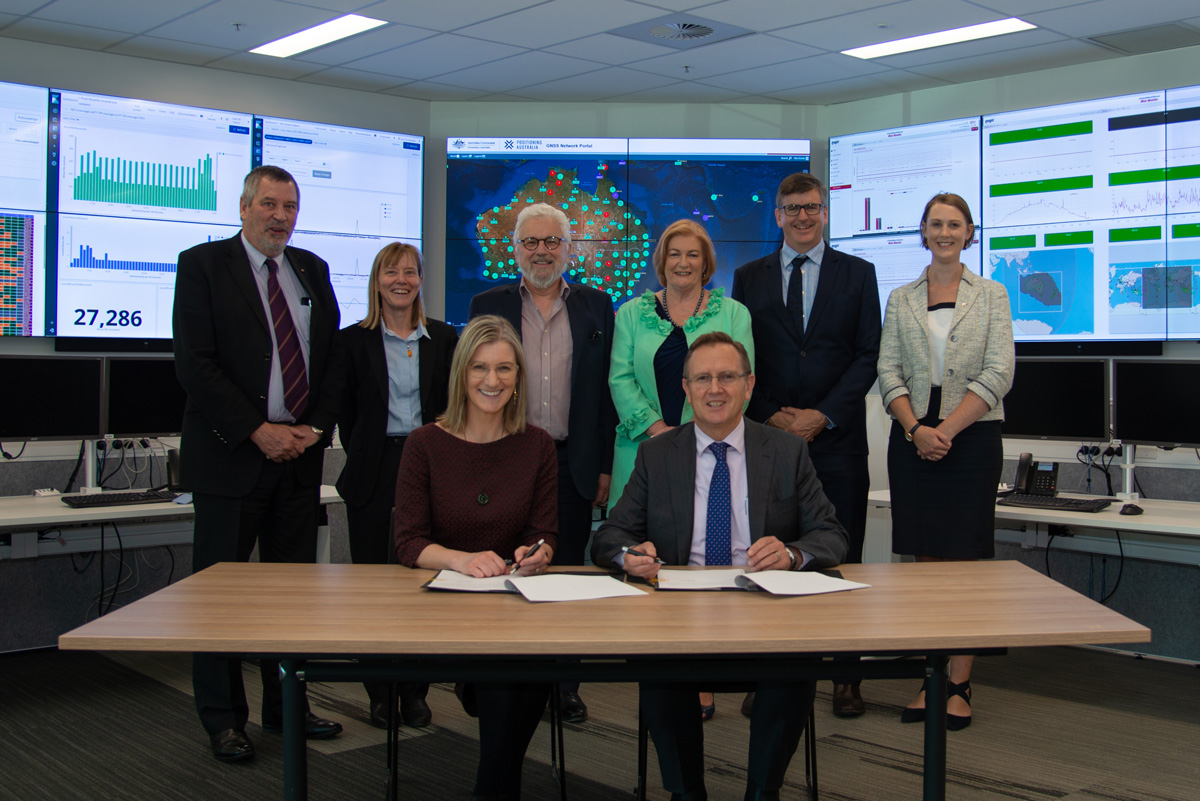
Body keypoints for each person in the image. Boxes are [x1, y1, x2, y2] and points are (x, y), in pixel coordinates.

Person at [593, 332, 848, 801]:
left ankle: (761, 792)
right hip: (677, 615)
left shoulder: (787, 450)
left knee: (796, 667)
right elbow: (610, 535)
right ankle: (686, 792)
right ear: (686, 389)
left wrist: (792, 555)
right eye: (703, 378)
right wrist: (628, 556)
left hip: (765, 612)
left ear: (749, 385)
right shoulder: (657, 454)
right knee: (659, 670)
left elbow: (831, 535)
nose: (716, 389)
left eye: (727, 377)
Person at [172, 165, 343, 763]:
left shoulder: (312, 270)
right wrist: (257, 431)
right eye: (269, 204)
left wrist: (312, 431)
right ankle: (223, 718)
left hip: (298, 462)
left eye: (290, 206)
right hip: (229, 460)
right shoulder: (202, 266)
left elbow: (329, 364)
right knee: (218, 599)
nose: (280, 216)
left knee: (289, 598)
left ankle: (284, 708)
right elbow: (196, 364)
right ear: (244, 207)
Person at [732, 172, 881, 718]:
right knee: (770, 554)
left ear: (825, 212)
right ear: (777, 214)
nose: (802, 217)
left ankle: (845, 676)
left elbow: (868, 354)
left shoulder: (859, 274)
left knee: (843, 558)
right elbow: (741, 358)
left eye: (812, 207)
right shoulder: (748, 277)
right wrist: (771, 414)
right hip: (768, 441)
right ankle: (767, 675)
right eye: (792, 208)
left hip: (837, 442)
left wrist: (822, 416)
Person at [392, 314, 556, 801]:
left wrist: (538, 553)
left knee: (523, 673)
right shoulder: (424, 444)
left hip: (510, 602)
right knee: (512, 679)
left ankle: (494, 785)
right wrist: (459, 560)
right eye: (480, 368)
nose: (492, 381)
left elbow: (544, 532)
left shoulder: (538, 445)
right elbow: (408, 541)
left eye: (505, 369)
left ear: (518, 377)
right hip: (441, 605)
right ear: (461, 373)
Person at [468, 202, 616, 723]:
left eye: (552, 242)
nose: (542, 251)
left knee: (567, 573)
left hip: (573, 461)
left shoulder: (598, 306)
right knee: (511, 565)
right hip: (508, 459)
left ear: (568, 248)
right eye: (531, 242)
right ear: (515, 250)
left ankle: (565, 683)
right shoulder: (488, 304)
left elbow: (603, 396)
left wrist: (602, 466)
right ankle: (506, 674)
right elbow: (475, 386)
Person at [877, 192, 1014, 731]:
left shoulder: (992, 294)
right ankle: (931, 678)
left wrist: (945, 431)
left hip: (972, 438)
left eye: (954, 224)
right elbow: (887, 371)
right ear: (923, 231)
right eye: (935, 224)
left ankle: (959, 684)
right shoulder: (901, 297)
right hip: (911, 436)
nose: (944, 232)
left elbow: (1000, 371)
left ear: (969, 232)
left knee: (963, 566)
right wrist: (916, 429)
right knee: (925, 565)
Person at [609, 218, 754, 720]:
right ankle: (666, 667)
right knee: (654, 558)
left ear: (706, 261)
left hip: (709, 448)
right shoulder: (630, 313)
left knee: (702, 551)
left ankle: (709, 671)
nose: (683, 263)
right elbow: (620, 377)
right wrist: (659, 433)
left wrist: (692, 435)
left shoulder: (733, 312)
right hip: (642, 451)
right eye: (675, 254)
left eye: (693, 254)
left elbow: (730, 380)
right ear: (661, 259)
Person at [336, 242, 457, 730]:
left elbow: (455, 403)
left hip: (430, 466)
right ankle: (379, 691)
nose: (401, 279)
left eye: (410, 271)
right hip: (375, 469)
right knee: (372, 587)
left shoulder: (445, 339)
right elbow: (345, 410)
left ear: (420, 280)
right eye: (392, 272)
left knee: (421, 584)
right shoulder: (351, 341)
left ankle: (414, 689)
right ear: (377, 280)